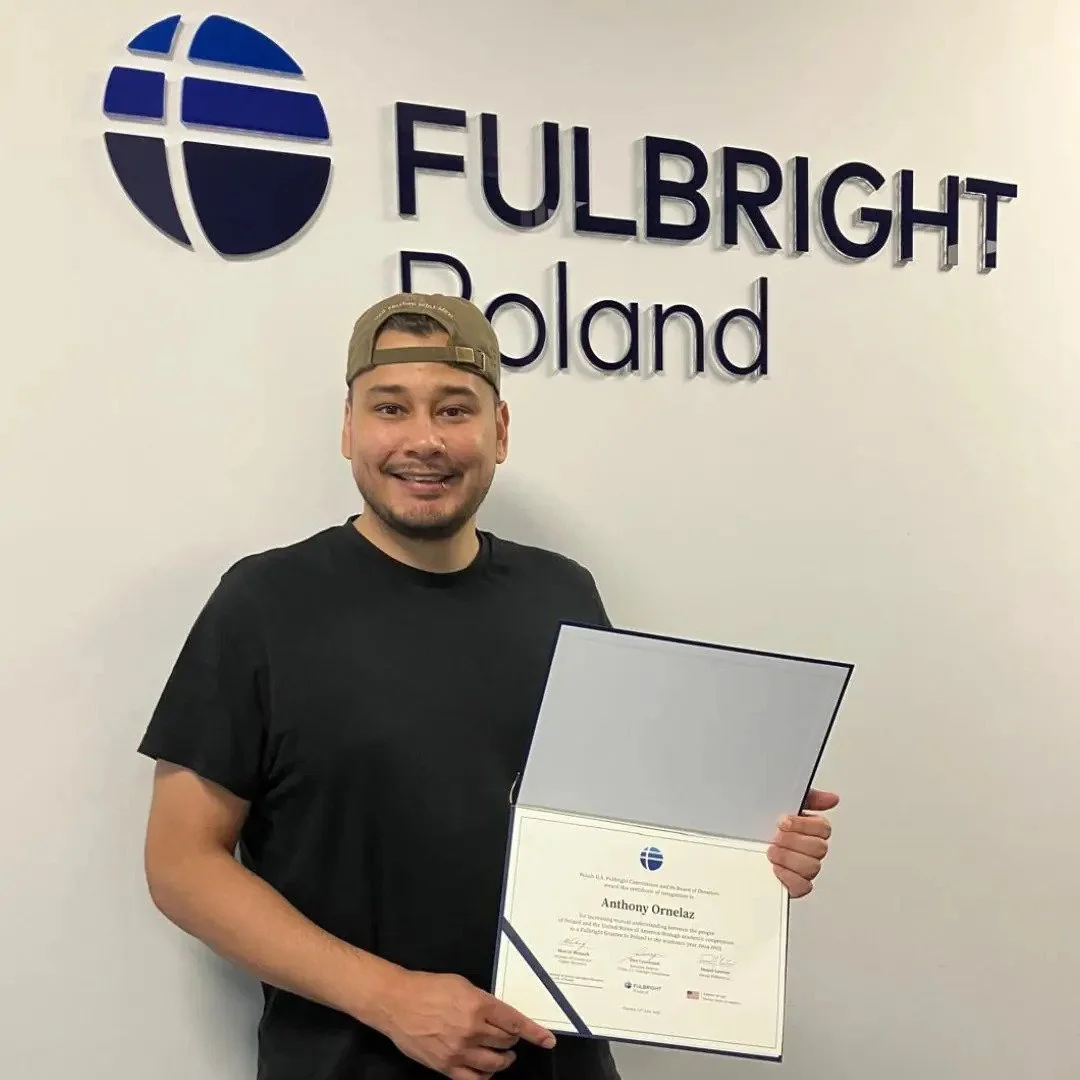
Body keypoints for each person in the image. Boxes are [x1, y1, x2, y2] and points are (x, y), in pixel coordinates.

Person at [137, 292, 840, 1080]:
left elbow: (619, 828)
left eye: (455, 409)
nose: (424, 440)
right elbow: (182, 863)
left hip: (558, 1063)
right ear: (347, 429)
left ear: (499, 432)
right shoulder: (263, 604)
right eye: (391, 408)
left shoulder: (564, 596)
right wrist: (389, 997)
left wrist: (744, 853)